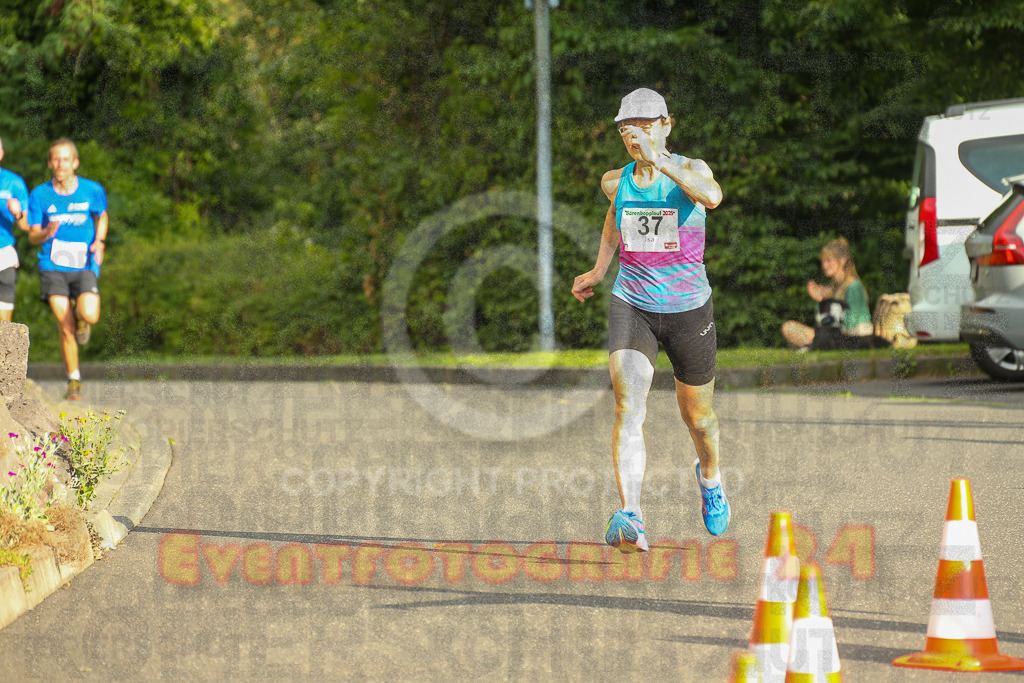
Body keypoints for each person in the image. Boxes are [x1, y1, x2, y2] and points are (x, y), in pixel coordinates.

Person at [572, 88, 729, 553]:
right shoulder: (614, 181)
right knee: (627, 407)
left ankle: (711, 479)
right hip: (633, 302)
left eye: (641, 126)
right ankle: (632, 516)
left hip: (688, 309)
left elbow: (714, 197)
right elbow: (615, 217)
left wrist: (661, 162)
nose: (632, 136)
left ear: (666, 124)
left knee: (698, 419)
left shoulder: (690, 172)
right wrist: (601, 269)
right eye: (625, 128)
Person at [27, 138, 109, 401]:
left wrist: (100, 240)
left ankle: (82, 316)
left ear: (75, 163)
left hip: (83, 263)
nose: (60, 164)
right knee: (65, 326)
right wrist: (45, 233)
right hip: (52, 266)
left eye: (65, 159)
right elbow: (31, 236)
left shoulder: (92, 190)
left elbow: (102, 215)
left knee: (89, 314)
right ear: (50, 163)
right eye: (55, 159)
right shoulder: (40, 195)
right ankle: (74, 379)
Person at [781, 238, 872, 350]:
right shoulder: (833, 288)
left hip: (854, 337)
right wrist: (822, 301)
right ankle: (815, 347)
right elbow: (824, 322)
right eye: (823, 261)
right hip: (836, 337)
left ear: (843, 260)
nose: (824, 265)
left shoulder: (854, 286)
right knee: (789, 327)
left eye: (829, 261)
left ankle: (813, 347)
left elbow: (848, 325)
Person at [0, 136, 30, 322]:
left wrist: (18, 213)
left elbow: (25, 225)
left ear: (1, 154)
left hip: (3, 252)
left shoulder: (14, 182)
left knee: (4, 327)